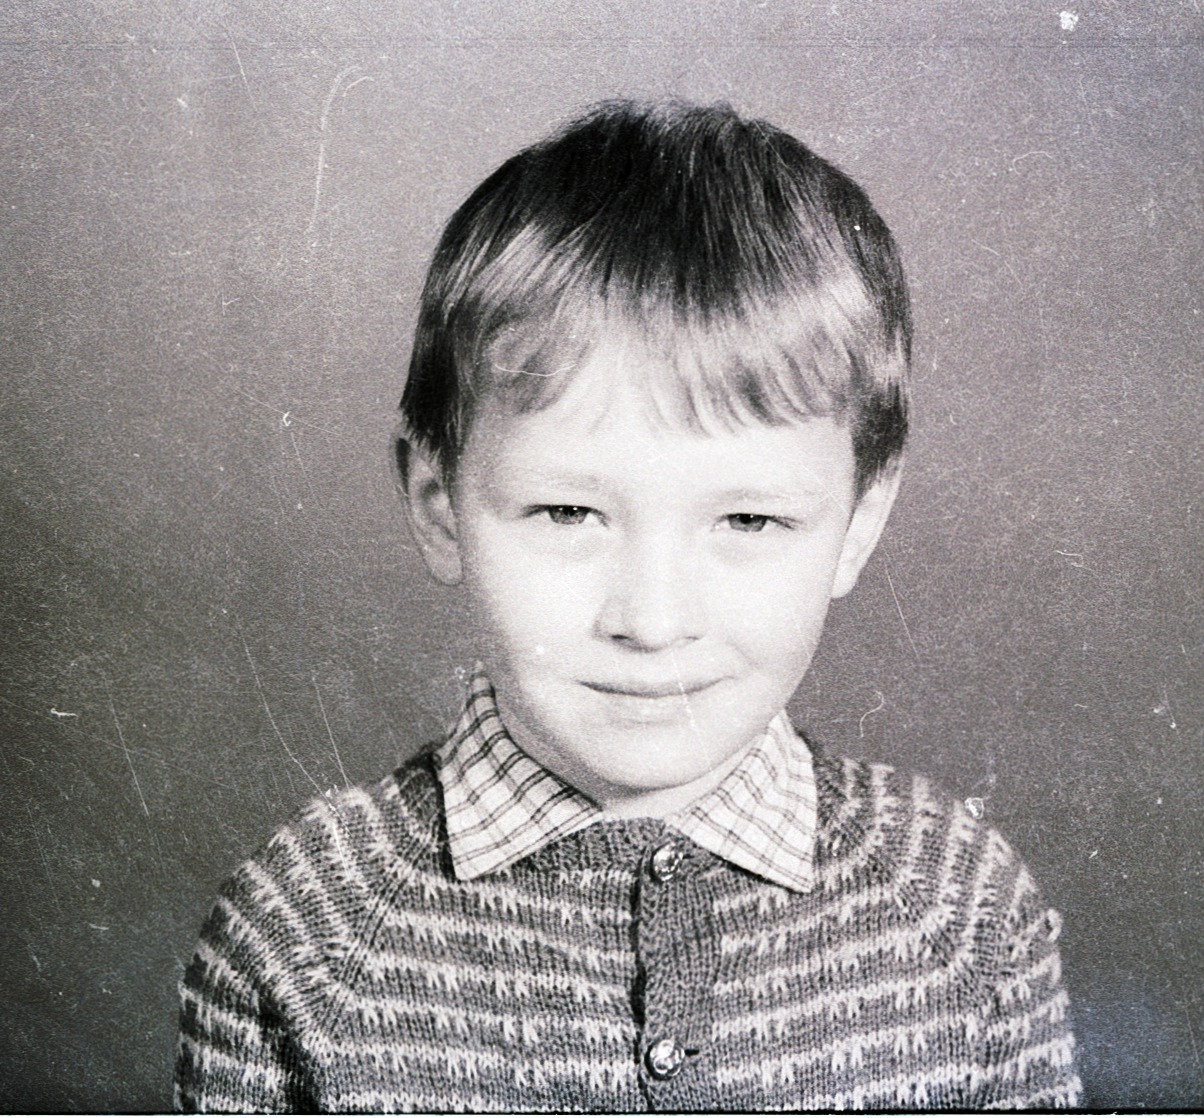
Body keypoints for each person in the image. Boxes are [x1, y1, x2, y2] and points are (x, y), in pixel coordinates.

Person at [174, 99, 1081, 1111]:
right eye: (568, 511)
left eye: (747, 521)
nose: (651, 619)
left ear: (859, 524)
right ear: (438, 505)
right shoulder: (302, 932)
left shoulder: (958, 907)